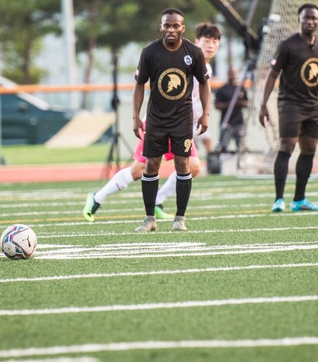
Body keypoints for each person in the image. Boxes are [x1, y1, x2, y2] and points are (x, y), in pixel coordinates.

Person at [83, 21, 218, 226]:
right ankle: (97, 197)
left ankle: (158, 200)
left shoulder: (203, 66)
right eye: (207, 40)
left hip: (181, 127)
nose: (211, 45)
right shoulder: (181, 57)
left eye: (215, 41)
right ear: (196, 40)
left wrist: (201, 119)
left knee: (193, 167)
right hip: (159, 123)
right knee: (139, 170)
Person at [258, 3, 318, 212]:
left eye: (314, 18)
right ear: (299, 19)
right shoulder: (288, 45)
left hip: (312, 105)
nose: (310, 21)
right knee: (286, 146)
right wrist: (263, 104)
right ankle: (279, 199)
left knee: (310, 150)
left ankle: (299, 200)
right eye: (306, 18)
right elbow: (272, 75)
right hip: (290, 104)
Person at [215, 64, 249, 154]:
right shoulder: (222, 89)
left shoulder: (240, 88)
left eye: (233, 73)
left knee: (241, 146)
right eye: (230, 73)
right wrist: (229, 104)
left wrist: (240, 103)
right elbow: (217, 105)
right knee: (223, 146)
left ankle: (242, 163)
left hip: (238, 122)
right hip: (227, 122)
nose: (232, 75)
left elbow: (247, 103)